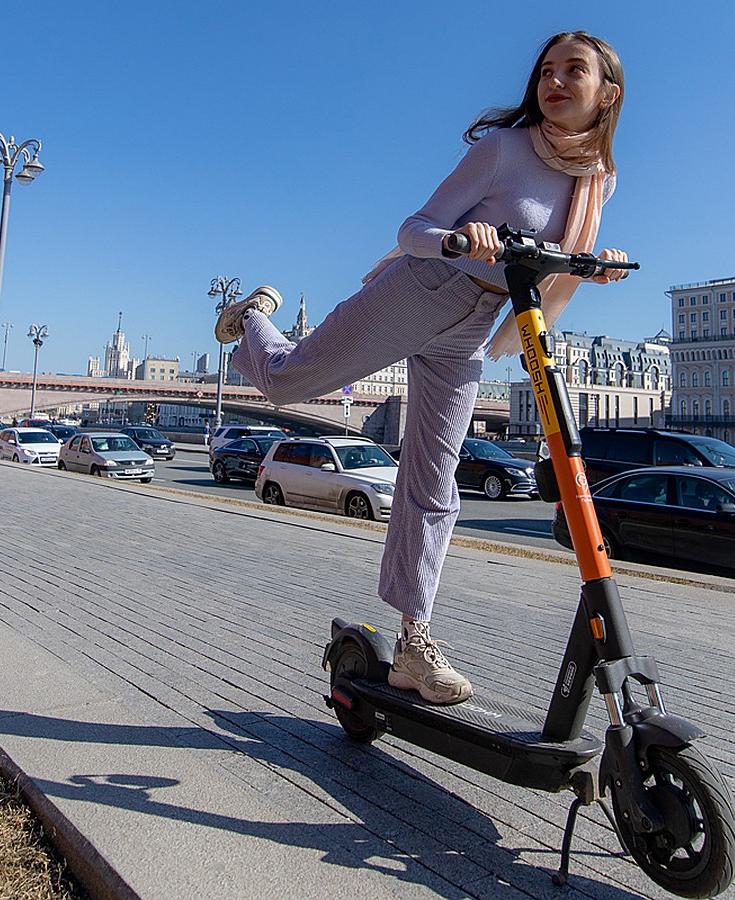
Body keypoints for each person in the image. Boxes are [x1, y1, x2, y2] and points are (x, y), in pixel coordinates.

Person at [215, 32, 628, 704]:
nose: (554, 81)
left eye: (573, 71)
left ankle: (414, 643)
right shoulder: (502, 150)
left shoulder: (597, 181)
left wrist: (594, 263)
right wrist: (460, 238)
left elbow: (559, 251)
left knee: (434, 481)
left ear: (606, 92)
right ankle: (251, 317)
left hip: (477, 321)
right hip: (425, 287)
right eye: (546, 70)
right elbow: (415, 226)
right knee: (287, 380)